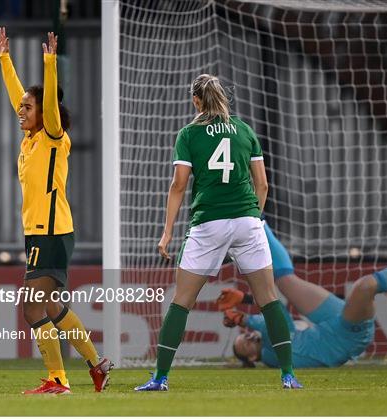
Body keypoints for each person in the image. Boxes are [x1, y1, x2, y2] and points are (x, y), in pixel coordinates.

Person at [135, 74, 302, 391]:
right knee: (269, 299)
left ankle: (160, 378)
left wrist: (167, 232)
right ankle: (288, 375)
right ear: (223, 98)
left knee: (182, 300)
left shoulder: (189, 134)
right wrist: (253, 217)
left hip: (208, 222)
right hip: (247, 220)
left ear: (195, 101)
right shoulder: (244, 130)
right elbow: (262, 184)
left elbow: (179, 185)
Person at [0, 27, 112, 394]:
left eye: (28, 108)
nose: (21, 111)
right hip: (41, 232)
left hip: (51, 232)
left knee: (31, 308)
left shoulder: (52, 136)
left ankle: (59, 380)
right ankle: (97, 364)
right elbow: (18, 96)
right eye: (22, 108)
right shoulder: (30, 140)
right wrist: (4, 59)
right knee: (52, 307)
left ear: (44, 113)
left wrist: (49, 63)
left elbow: (43, 105)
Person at [218, 222, 387, 368]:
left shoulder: (279, 341)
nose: (248, 336)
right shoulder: (273, 357)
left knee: (286, 281)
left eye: (244, 334)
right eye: (245, 344)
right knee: (364, 287)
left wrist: (247, 301)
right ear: (253, 358)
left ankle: (257, 220)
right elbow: (274, 323)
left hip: (327, 325)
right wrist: (244, 318)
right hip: (347, 336)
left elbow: (279, 315)